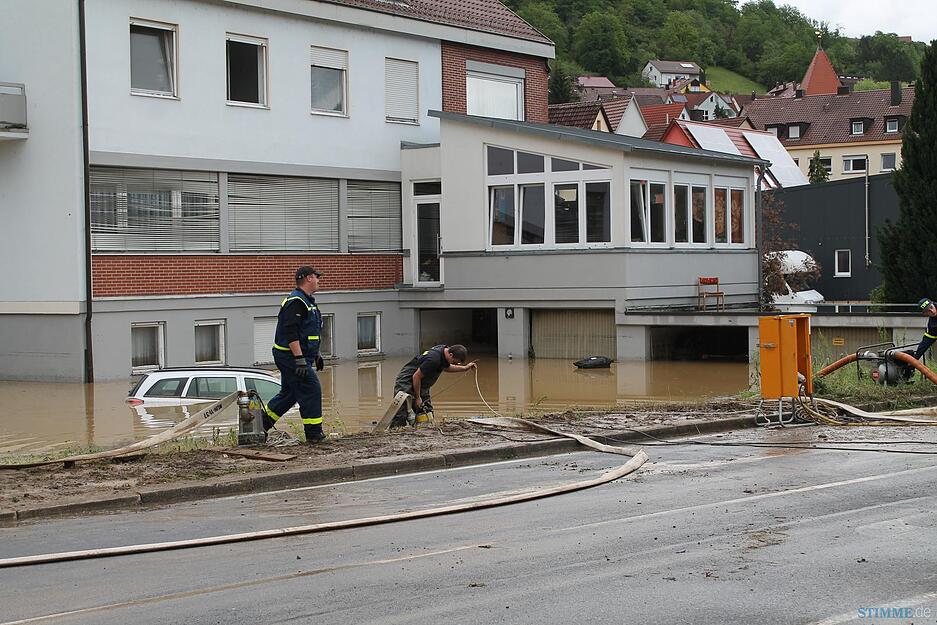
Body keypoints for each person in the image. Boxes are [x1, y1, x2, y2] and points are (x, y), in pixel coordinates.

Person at [263, 266, 327, 444]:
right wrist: (299, 359)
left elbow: (310, 332)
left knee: (290, 394)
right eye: (316, 276)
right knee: (312, 390)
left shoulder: (308, 302)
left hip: (299, 356)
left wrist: (316, 354)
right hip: (290, 356)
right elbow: (291, 332)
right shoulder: (296, 302)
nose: (318, 279)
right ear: (307, 278)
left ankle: (260, 424)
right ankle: (314, 433)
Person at [390, 344, 476, 427]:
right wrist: (418, 397)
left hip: (421, 383)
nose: (456, 364)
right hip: (406, 380)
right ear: (451, 355)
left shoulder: (444, 352)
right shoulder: (433, 359)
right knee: (401, 409)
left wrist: (465, 368)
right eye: (455, 362)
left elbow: (446, 367)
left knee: (426, 410)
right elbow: (416, 376)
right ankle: (396, 430)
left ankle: (421, 430)